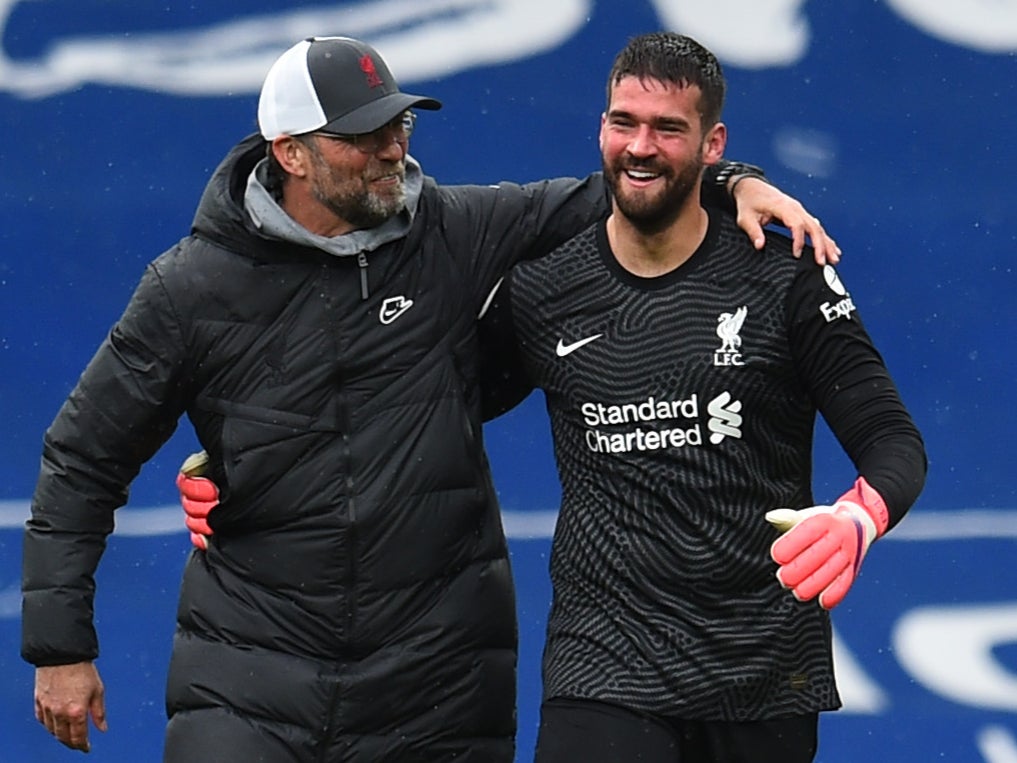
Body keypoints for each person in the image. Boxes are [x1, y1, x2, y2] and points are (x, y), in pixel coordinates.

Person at [22, 35, 837, 763]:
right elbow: (83, 460)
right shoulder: (188, 289)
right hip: (248, 682)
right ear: (291, 153)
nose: (389, 149)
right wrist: (60, 648)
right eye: (363, 135)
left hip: (438, 692)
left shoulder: (453, 229)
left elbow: (627, 184)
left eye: (399, 126)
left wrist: (730, 179)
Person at [474, 32, 927, 763]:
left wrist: (857, 515)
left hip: (761, 669)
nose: (639, 147)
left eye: (667, 128)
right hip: (604, 666)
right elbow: (425, 407)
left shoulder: (786, 279)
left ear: (713, 143)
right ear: (601, 127)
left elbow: (892, 440)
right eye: (622, 122)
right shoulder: (542, 289)